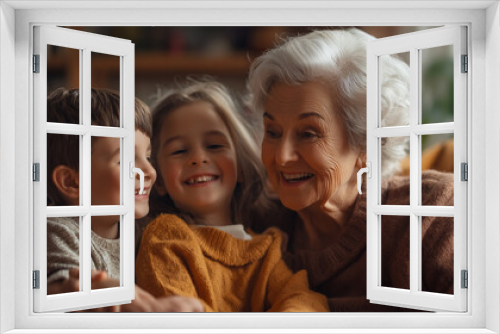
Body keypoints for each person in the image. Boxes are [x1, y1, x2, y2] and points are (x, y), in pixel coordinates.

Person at [247, 28, 454, 312]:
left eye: (308, 134)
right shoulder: (255, 228)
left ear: (366, 143)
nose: (281, 157)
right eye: (272, 132)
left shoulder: (431, 215)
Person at [136, 80, 328, 312]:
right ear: (160, 181)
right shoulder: (165, 239)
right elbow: (180, 317)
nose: (198, 158)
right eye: (179, 151)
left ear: (240, 167)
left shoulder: (267, 249)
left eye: (215, 146)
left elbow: (305, 299)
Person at [46, 87, 204, 312]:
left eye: (147, 157)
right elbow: (64, 288)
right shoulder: (59, 231)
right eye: (126, 161)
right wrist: (143, 305)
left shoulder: (146, 230)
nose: (149, 171)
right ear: (72, 182)